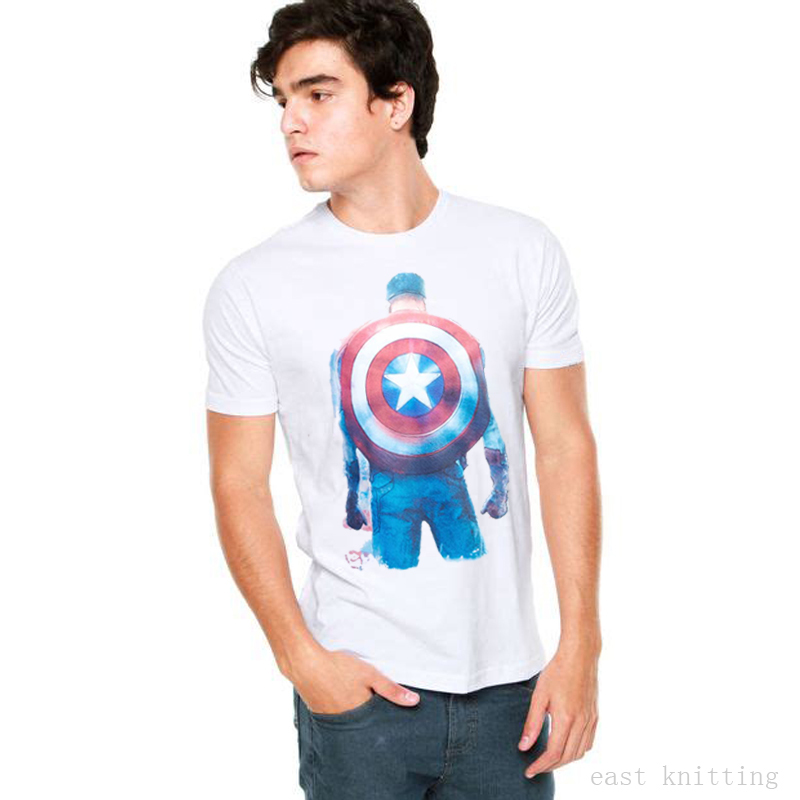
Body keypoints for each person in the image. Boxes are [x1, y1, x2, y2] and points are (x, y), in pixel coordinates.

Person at [202, 1, 601, 797]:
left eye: (318, 94)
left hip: (510, 686)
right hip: (357, 689)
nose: (291, 121)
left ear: (396, 102)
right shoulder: (254, 284)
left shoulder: (520, 250)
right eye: (284, 100)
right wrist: (302, 661)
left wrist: (581, 646)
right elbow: (237, 482)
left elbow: (563, 446)